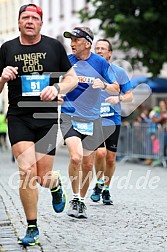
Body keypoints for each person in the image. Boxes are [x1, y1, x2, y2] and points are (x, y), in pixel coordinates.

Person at [0, 4, 78, 246]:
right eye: (25, 17)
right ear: (20, 22)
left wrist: (56, 88)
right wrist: (2, 77)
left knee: (43, 177)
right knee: (27, 172)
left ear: (41, 23)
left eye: (34, 18)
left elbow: (72, 79)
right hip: (18, 117)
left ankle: (55, 186)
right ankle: (32, 227)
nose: (30, 21)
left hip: (46, 119)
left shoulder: (54, 47)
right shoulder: (7, 48)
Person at [61, 27, 120, 218]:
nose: (72, 43)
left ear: (87, 43)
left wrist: (103, 85)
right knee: (76, 157)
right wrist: (57, 92)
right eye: (71, 40)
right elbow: (53, 80)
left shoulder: (100, 63)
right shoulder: (67, 61)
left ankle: (80, 201)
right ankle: (75, 196)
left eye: (76, 40)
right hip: (69, 115)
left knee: (88, 164)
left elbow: (115, 88)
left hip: (93, 119)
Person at [90, 39, 133, 204]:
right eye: (97, 48)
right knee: (100, 153)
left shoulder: (119, 72)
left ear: (110, 53)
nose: (100, 51)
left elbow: (130, 95)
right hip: (95, 118)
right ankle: (99, 182)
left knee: (110, 158)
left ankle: (106, 189)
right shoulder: (90, 71)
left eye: (103, 49)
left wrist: (119, 98)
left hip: (112, 119)